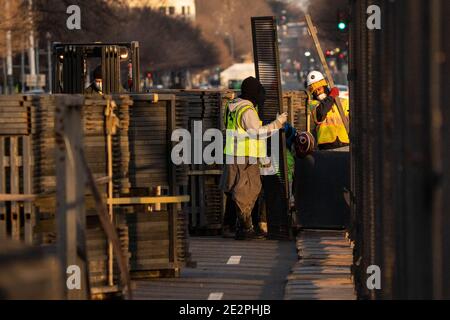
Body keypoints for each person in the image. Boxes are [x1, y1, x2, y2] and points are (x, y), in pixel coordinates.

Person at [220, 76, 288, 240]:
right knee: (247, 191)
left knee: (233, 190)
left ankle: (230, 226)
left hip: (232, 153)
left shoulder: (232, 106)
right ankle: (245, 227)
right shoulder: (248, 110)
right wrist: (278, 123)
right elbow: (257, 133)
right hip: (246, 156)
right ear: (254, 93)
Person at [306, 71, 350, 150]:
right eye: (315, 91)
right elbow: (321, 113)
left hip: (345, 144)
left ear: (325, 86)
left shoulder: (343, 102)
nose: (318, 93)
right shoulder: (313, 104)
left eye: (319, 89)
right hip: (326, 146)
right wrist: (331, 96)